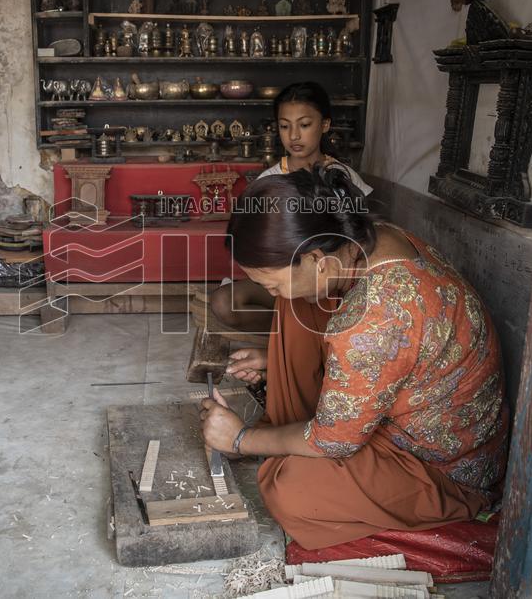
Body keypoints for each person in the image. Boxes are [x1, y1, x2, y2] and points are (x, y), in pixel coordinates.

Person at [200, 165, 509, 549]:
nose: (273, 293)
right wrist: (273, 360)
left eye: (271, 283)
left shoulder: (375, 316)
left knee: (290, 490)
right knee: (296, 309)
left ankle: (277, 439)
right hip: (400, 407)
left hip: (442, 470)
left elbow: (334, 443)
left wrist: (242, 438)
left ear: (318, 260)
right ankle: (284, 431)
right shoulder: (368, 239)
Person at [210, 82, 373, 335]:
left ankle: (303, 341)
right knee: (225, 302)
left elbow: (362, 237)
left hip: (326, 280)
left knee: (317, 301)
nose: (294, 135)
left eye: (304, 125)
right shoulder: (269, 181)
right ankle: (279, 344)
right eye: (285, 126)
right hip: (282, 277)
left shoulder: (344, 178)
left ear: (325, 125)